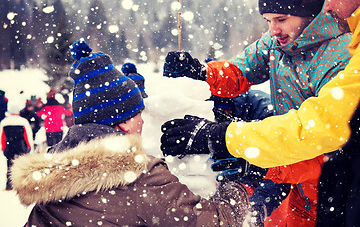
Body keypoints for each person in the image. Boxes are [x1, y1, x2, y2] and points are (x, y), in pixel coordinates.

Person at [160, 0, 353, 226]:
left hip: (331, 186)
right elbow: (240, 72)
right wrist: (203, 72)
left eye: (281, 19)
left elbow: (328, 144)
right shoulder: (277, 42)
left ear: (310, 14)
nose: (273, 30)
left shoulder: (339, 58)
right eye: (268, 20)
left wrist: (256, 160)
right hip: (296, 181)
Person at [10, 39, 249, 226]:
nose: (143, 121)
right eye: (138, 113)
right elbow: (218, 222)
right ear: (123, 123)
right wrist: (233, 183)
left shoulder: (52, 173)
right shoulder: (139, 177)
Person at [315, 0, 360, 226]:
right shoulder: (272, 48)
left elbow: (324, 123)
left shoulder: (339, 56)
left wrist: (227, 136)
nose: (326, 7)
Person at [1, 103, 33, 190]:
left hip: (9, 146)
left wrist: (3, 147)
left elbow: (2, 136)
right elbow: (27, 135)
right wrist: (29, 146)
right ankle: (22, 184)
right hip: (21, 146)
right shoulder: (23, 121)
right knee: (21, 165)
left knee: (9, 165)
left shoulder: (4, 122)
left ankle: (9, 184)